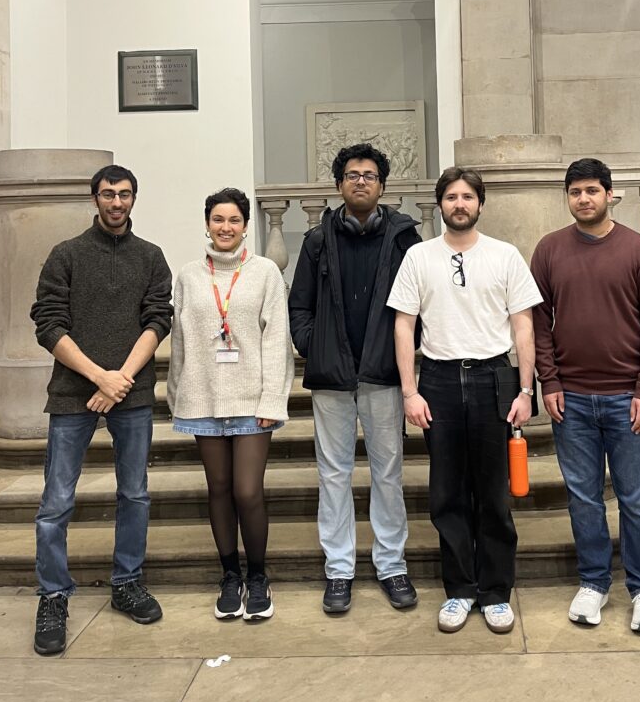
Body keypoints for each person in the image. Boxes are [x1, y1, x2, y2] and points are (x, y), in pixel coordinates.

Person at [388, 167, 542, 635]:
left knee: (493, 492)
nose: (460, 204)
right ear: (440, 204)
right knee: (448, 493)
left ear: (480, 204)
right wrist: (410, 391)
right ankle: (459, 589)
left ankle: (495, 591)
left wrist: (525, 389)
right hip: (437, 379)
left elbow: (524, 326)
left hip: (494, 375)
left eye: (468, 197)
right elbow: (403, 327)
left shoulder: (505, 255)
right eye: (451, 196)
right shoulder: (418, 256)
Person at [30, 164, 173, 656]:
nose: (117, 202)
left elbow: (158, 320)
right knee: (56, 503)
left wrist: (120, 381)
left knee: (134, 493)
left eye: (125, 194)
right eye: (109, 194)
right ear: (94, 198)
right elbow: (48, 323)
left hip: (130, 392)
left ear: (134, 199)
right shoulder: (66, 255)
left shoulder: (151, 257)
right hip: (75, 393)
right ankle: (52, 597)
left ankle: (126, 583)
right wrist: (99, 377)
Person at [531, 158, 640, 634]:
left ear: (610, 194)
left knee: (637, 499)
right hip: (571, 400)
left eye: (592, 190)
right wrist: (548, 381)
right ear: (567, 198)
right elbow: (538, 323)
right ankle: (593, 582)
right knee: (583, 498)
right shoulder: (549, 250)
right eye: (575, 192)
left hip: (627, 397)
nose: (583, 199)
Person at [289, 144, 421, 615]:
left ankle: (391, 565)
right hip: (332, 377)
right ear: (339, 184)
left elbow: (421, 304)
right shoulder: (317, 240)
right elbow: (299, 304)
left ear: (383, 184)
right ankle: (339, 570)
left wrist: (407, 349)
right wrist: (312, 345)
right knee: (334, 474)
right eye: (351, 175)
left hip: (385, 374)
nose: (360, 181)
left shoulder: (406, 239)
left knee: (388, 474)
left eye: (368, 175)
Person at [167, 188, 293, 622]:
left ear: (245, 226)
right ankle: (230, 575)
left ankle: (258, 576)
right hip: (202, 394)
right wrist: (177, 395)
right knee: (218, 489)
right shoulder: (187, 275)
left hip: (252, 398)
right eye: (218, 220)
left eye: (234, 220)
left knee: (247, 490)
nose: (225, 228)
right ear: (207, 224)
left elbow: (277, 339)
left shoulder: (264, 273)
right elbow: (179, 341)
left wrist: (274, 398)